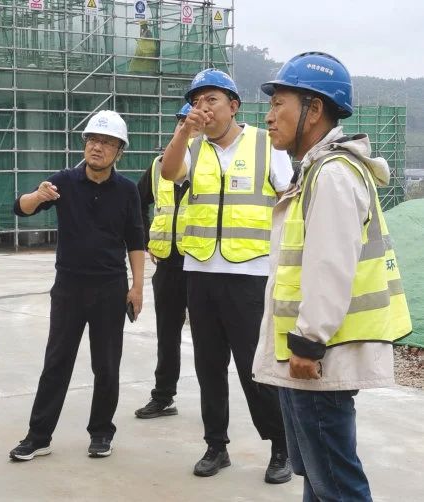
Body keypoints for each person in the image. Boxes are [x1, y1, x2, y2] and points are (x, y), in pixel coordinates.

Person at [254, 52, 412, 501]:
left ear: (314, 109)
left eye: (278, 103)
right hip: (306, 355)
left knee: (338, 486)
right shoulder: (315, 171)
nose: (269, 116)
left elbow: (330, 267)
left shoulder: (333, 175)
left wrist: (308, 341)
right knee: (319, 477)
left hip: (318, 357)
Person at [160, 69, 293, 483]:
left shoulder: (265, 144)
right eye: (196, 101)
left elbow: (289, 201)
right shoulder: (192, 146)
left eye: (211, 99)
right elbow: (168, 172)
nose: (203, 108)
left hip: (249, 274)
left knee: (255, 369)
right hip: (201, 272)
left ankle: (281, 447)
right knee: (208, 366)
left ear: (233, 106)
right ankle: (216, 446)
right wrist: (184, 131)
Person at [8, 110, 145, 461]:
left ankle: (101, 433)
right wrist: (38, 196)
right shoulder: (64, 182)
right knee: (57, 361)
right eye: (92, 140)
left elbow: (135, 241)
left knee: (107, 364)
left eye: (107, 142)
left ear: (119, 151)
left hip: (110, 287)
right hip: (69, 286)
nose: (97, 147)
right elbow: (20, 208)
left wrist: (137, 287)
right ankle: (38, 436)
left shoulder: (127, 191)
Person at [134, 103, 193, 419]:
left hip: (203, 264)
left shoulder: (214, 167)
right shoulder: (159, 166)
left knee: (212, 340)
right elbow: (137, 202)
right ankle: (163, 396)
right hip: (169, 264)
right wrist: (147, 239)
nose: (186, 128)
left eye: (191, 123)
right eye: (181, 122)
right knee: (167, 335)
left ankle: (217, 408)